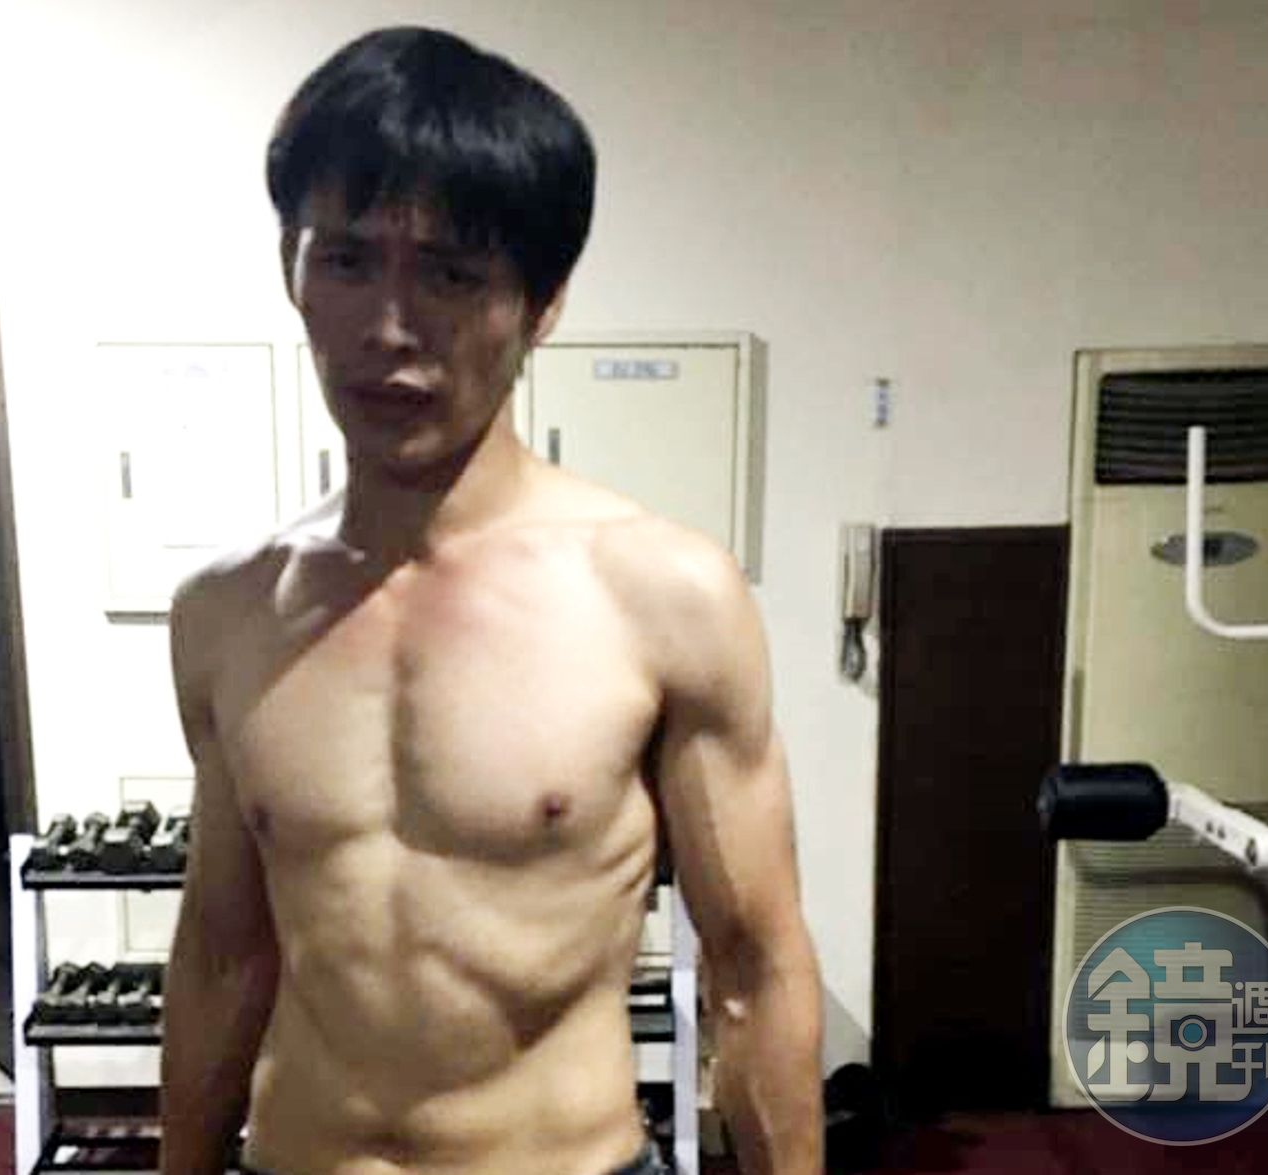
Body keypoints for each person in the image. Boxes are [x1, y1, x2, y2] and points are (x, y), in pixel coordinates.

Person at [160, 25, 824, 1175]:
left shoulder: (661, 595)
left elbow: (755, 968)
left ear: (543, 301)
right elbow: (223, 953)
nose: (388, 328)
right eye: (346, 260)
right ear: (290, 270)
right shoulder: (226, 612)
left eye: (452, 274)